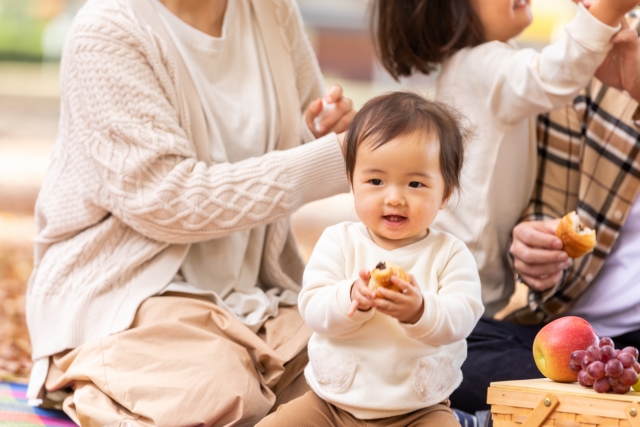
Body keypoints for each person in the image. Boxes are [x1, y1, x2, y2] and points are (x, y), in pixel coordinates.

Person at [24, 0, 356, 425]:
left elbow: (308, 131)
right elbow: (165, 200)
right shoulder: (107, 29)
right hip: (130, 293)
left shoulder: (273, 11)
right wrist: (332, 158)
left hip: (254, 291)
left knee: (364, 371)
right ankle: (93, 377)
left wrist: (321, 130)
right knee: (226, 397)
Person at [370, 0, 639, 318]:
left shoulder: (483, 64)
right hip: (460, 286)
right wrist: (608, 12)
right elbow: (552, 76)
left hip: (463, 285)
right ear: (450, 11)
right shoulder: (479, 66)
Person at [255, 91, 484, 427]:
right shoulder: (339, 241)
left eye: (416, 183)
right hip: (331, 406)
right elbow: (314, 308)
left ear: (445, 193)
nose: (394, 198)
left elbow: (462, 316)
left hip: (419, 410)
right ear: (352, 182)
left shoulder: (449, 254)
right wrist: (351, 298)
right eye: (375, 181)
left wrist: (421, 310)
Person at [450, 16, 640, 418]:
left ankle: (570, 408)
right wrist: (537, 252)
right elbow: (550, 208)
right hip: (572, 336)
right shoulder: (598, 55)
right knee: (447, 351)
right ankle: (603, 403)